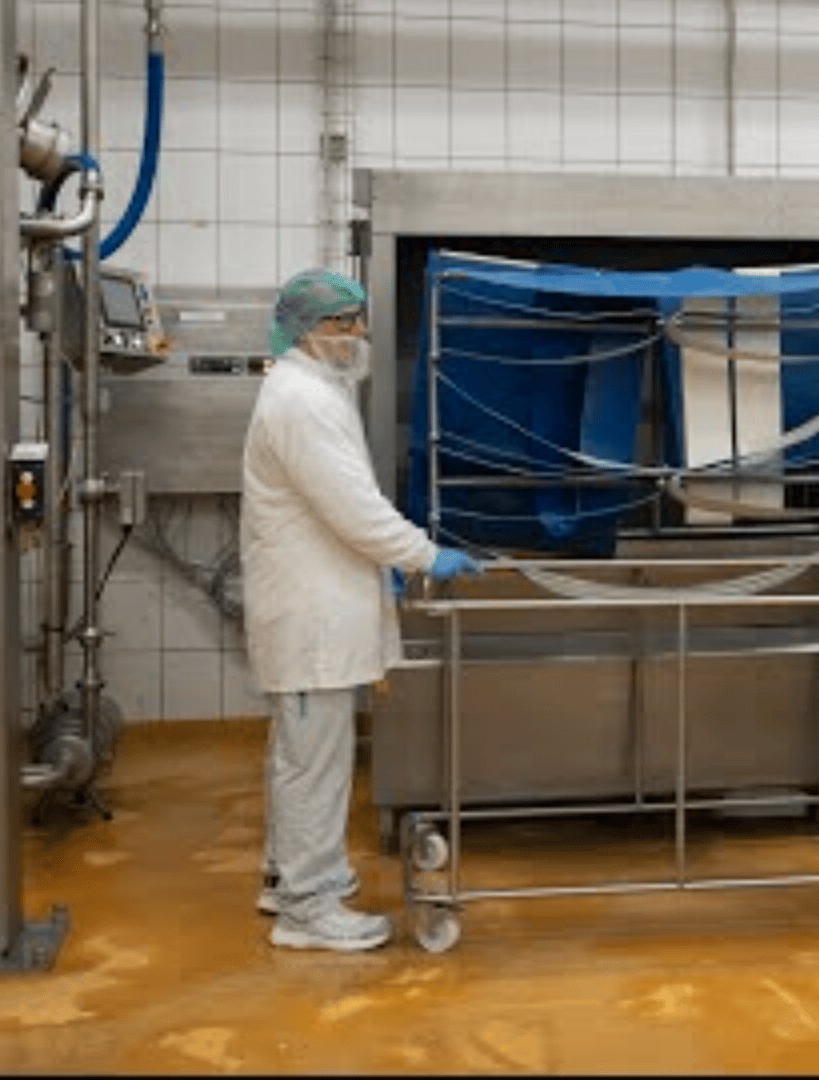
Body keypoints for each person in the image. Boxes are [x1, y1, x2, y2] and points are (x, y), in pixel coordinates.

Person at [241, 268, 482, 951]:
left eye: (358, 320)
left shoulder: (313, 390)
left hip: (318, 601)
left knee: (302, 753)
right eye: (342, 323)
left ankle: (287, 875)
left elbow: (341, 508)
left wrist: (387, 566)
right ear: (304, 329)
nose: (358, 335)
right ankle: (305, 909)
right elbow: (352, 507)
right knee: (311, 758)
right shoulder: (302, 401)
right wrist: (421, 555)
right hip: (310, 616)